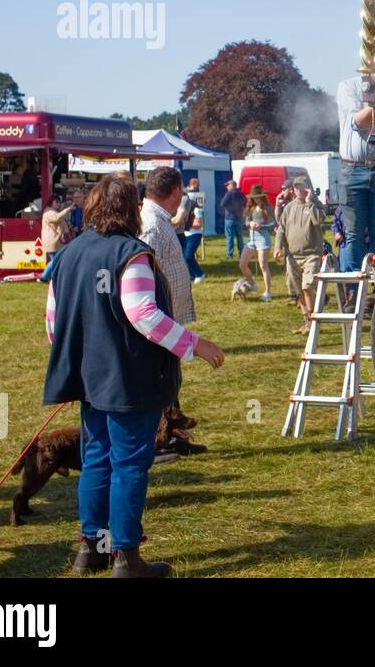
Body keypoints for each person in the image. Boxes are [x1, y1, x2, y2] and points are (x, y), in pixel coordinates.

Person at [42, 173, 225, 578]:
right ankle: (125, 558)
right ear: (131, 210)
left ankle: (89, 550)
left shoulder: (68, 255)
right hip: (128, 380)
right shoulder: (132, 254)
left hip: (89, 379)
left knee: (96, 460)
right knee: (128, 464)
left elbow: (54, 323)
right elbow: (143, 314)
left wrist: (83, 359)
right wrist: (195, 344)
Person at [336, 41, 375, 277]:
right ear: (369, 58)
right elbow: (358, 121)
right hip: (352, 170)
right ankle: (353, 289)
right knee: (353, 231)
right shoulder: (349, 86)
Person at [139, 167, 195, 326]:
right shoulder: (152, 227)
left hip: (166, 323)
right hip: (159, 327)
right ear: (176, 191)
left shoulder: (159, 220)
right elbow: (144, 285)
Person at [274, 176, 327, 334]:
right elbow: (282, 228)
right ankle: (306, 321)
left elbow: (319, 221)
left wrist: (310, 202)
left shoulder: (315, 205)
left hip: (312, 255)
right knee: (298, 290)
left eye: (301, 187)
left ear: (308, 188)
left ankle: (313, 321)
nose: (298, 190)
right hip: (292, 256)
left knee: (308, 286)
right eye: (295, 187)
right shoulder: (290, 207)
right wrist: (278, 246)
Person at [240, 185, 274, 300]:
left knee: (263, 265)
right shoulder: (251, 207)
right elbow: (246, 221)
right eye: (254, 198)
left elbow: (273, 223)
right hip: (251, 239)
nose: (256, 199)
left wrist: (261, 226)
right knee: (242, 264)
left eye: (258, 197)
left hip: (263, 239)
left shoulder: (268, 207)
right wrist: (250, 224)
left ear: (262, 196)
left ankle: (268, 292)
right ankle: (252, 284)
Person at [38, 194, 76, 284]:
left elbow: (59, 222)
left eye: (59, 202)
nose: (58, 204)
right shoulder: (49, 212)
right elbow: (57, 219)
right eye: (57, 202)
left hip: (55, 241)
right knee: (56, 261)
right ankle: (44, 277)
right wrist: (68, 209)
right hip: (53, 241)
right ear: (51, 202)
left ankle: (51, 278)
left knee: (56, 260)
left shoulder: (53, 211)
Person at [220, 179, 246, 260]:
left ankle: (229, 255)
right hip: (239, 218)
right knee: (240, 237)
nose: (227, 187)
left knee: (229, 237)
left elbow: (222, 203)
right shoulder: (241, 193)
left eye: (228, 185)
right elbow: (245, 203)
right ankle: (241, 254)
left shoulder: (229, 193)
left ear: (232, 185)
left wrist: (230, 208)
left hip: (230, 218)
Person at [183, 196, 205, 284]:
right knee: (184, 257)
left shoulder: (196, 210)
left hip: (195, 234)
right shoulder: (184, 210)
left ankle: (199, 274)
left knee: (188, 256)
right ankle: (191, 276)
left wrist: (185, 224)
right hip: (186, 234)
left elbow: (198, 224)